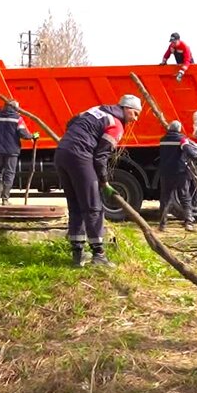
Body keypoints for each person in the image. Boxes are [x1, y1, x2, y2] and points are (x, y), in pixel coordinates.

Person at [55, 94, 142, 268]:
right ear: (125, 108)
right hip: (80, 157)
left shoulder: (98, 110)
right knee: (93, 205)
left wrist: (76, 138)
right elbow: (101, 157)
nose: (135, 119)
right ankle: (99, 255)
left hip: (61, 154)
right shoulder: (116, 124)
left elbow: (71, 122)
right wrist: (104, 182)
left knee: (76, 204)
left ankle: (77, 254)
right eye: (135, 113)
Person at [157, 120, 197, 232]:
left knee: (165, 198)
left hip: (166, 172)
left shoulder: (163, 139)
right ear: (179, 129)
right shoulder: (182, 139)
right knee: (184, 196)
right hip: (180, 172)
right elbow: (188, 150)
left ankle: (162, 224)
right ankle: (189, 222)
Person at [0, 99, 38, 204]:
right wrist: (33, 136)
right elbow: (23, 134)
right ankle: (5, 199)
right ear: (15, 108)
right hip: (11, 151)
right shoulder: (18, 119)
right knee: (9, 174)